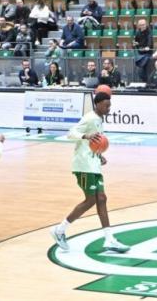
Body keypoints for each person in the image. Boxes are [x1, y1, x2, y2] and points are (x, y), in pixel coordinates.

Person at [50, 92, 130, 253]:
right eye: (106, 105)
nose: (109, 108)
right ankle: (59, 230)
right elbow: (71, 133)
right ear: (98, 104)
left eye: (110, 105)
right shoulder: (89, 118)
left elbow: (95, 143)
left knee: (102, 198)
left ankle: (109, 240)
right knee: (91, 200)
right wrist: (86, 135)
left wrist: (100, 155)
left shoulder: (99, 119)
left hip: (93, 163)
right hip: (83, 166)